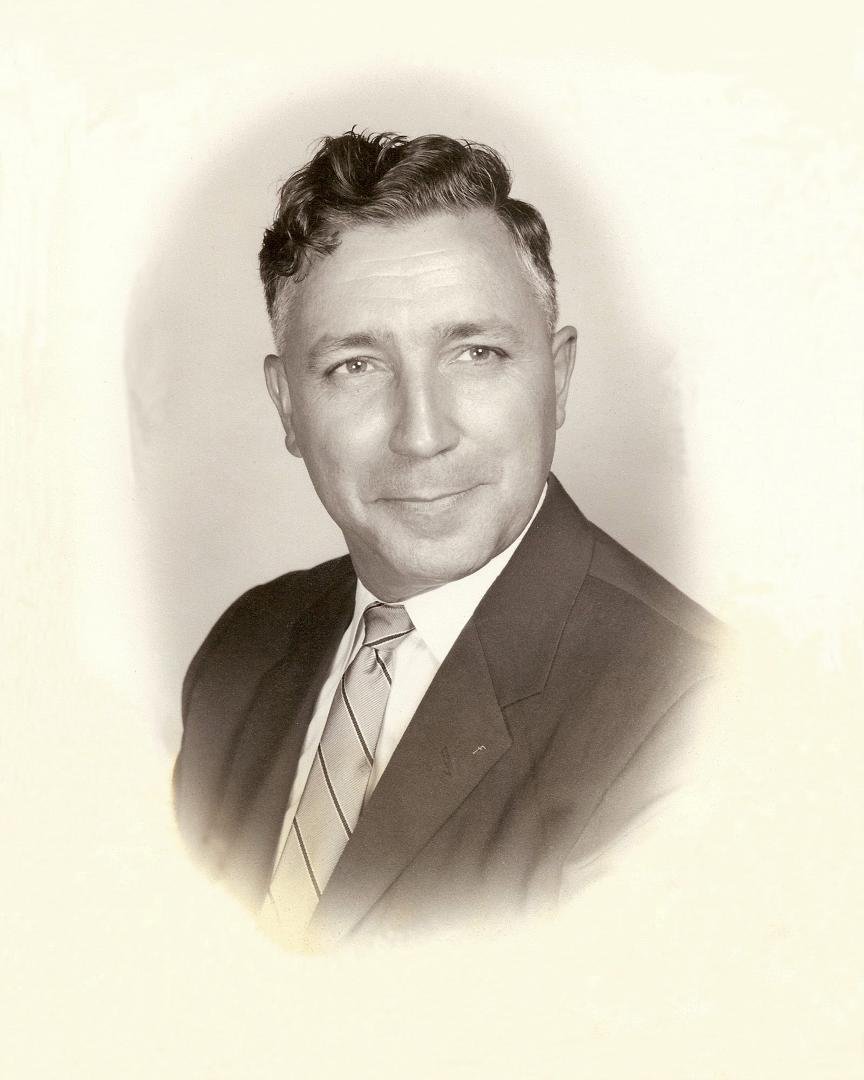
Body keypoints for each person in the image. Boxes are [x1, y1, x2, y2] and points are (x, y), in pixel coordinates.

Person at [173, 130, 722, 950]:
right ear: (288, 405)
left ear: (557, 378)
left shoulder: (692, 715)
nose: (422, 434)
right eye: (356, 365)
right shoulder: (240, 652)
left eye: (476, 353)